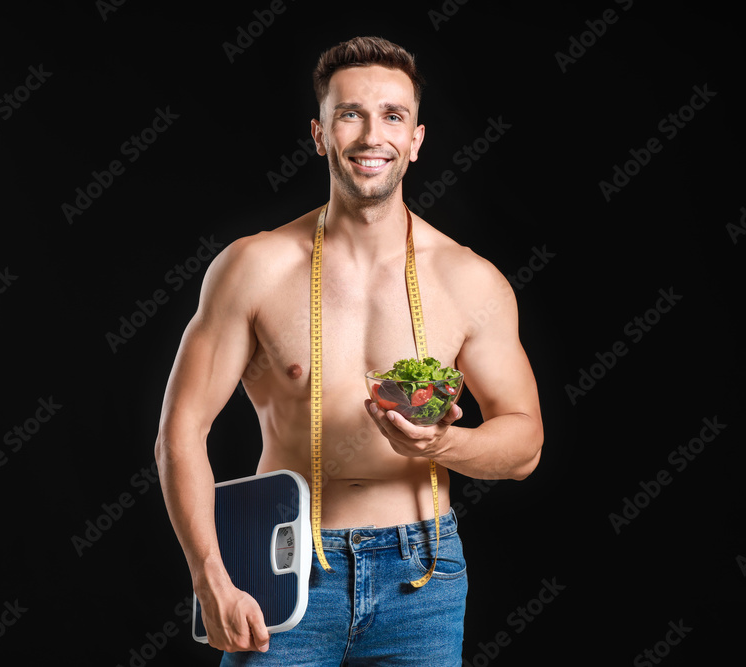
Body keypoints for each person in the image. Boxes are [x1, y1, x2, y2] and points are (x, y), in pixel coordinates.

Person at [154, 35, 543, 665]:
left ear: (416, 138)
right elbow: (181, 430)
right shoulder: (254, 267)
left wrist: (440, 444)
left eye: (393, 115)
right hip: (284, 561)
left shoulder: (469, 280)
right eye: (349, 114)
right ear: (319, 132)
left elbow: (524, 444)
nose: (371, 136)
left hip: (422, 575)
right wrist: (209, 575)